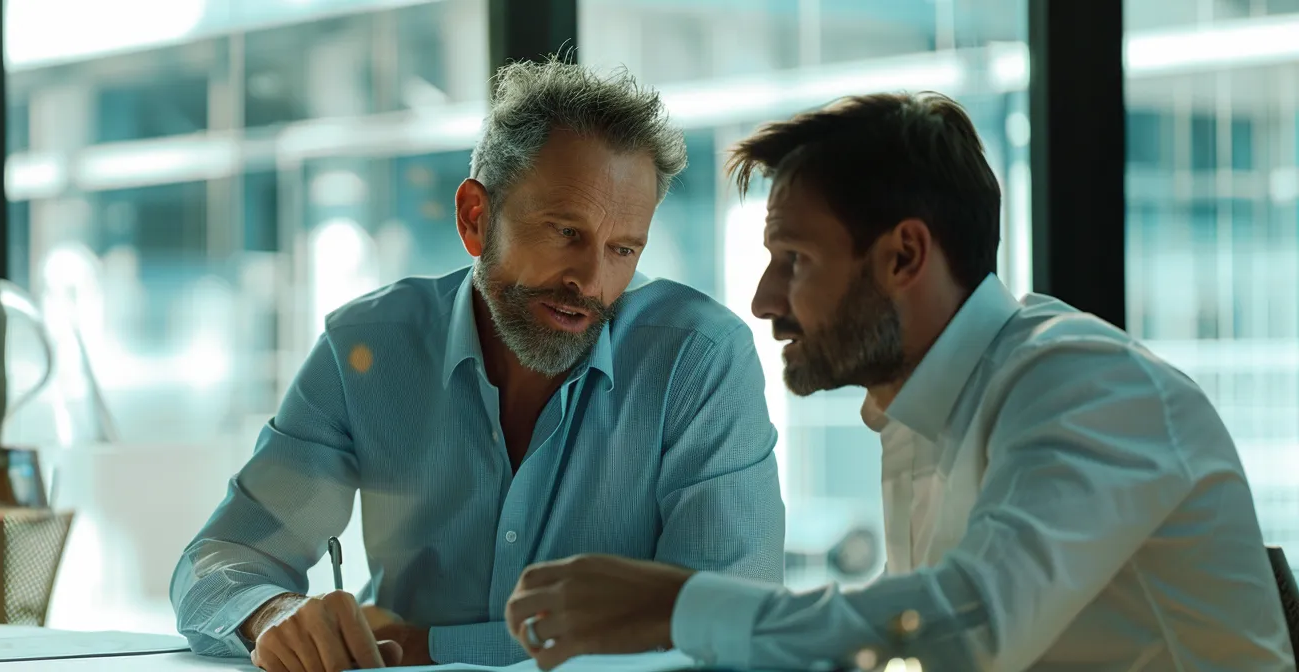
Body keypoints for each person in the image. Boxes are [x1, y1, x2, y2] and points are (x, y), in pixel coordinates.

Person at [502, 92, 1297, 671]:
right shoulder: (918, 413)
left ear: (905, 257)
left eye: (796, 263)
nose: (764, 302)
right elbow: (905, 639)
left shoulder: (1086, 385)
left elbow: (971, 623)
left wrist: (670, 607)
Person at [169, 58, 785, 671]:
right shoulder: (367, 350)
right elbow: (223, 559)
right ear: (474, 218)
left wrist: (430, 648)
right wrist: (272, 614)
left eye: (623, 248)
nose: (592, 282)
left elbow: (728, 628)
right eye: (565, 232)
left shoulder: (699, 360)